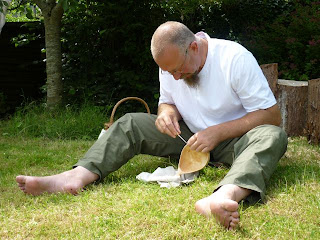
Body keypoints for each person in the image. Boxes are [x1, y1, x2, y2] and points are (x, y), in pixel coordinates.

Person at [16, 21, 288, 230]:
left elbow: (271, 115)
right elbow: (167, 102)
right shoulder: (171, 63)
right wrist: (165, 114)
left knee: (272, 136)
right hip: (188, 140)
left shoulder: (234, 58)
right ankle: (75, 177)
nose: (176, 77)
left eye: (178, 69)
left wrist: (217, 132)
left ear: (194, 46)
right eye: (169, 72)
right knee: (131, 122)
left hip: (235, 141)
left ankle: (222, 197)